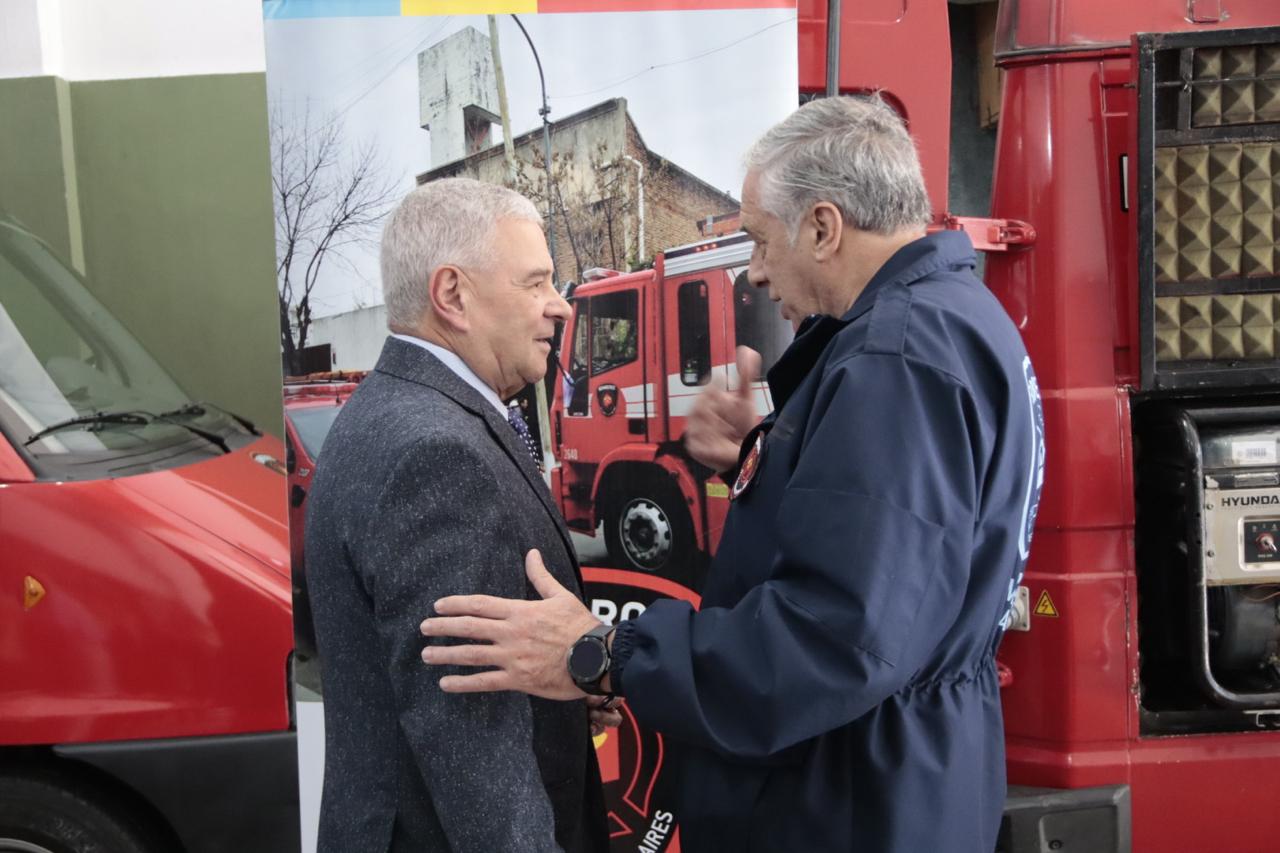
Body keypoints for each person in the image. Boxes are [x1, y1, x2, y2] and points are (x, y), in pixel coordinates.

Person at [419, 97, 1046, 852]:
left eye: (760, 240)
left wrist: (605, 654)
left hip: (849, 803)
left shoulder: (898, 359)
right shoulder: (958, 319)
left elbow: (834, 639)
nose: (754, 271)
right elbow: (907, 555)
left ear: (824, 228)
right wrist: (769, 455)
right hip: (900, 779)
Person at [304, 178, 614, 853]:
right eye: (535, 282)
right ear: (452, 295)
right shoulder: (435, 453)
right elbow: (473, 747)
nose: (559, 305)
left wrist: (557, 700)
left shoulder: (396, 411)